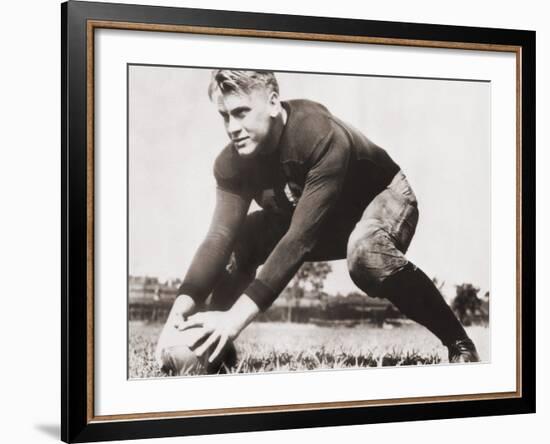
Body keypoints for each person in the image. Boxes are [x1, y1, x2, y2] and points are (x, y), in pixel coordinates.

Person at [155, 70, 479, 373]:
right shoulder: (231, 162)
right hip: (313, 218)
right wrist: (177, 315)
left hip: (378, 198)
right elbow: (219, 237)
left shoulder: (316, 132)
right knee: (240, 243)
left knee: (366, 254)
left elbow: (299, 239)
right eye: (224, 116)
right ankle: (215, 352)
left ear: (271, 102)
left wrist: (234, 319)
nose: (231, 127)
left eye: (240, 112)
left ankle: (460, 343)